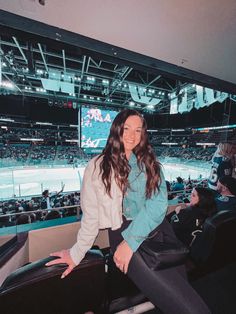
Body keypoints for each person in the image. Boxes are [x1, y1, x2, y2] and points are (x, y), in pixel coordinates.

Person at [46, 109, 210, 314]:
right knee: (185, 305)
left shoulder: (150, 163)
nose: (132, 135)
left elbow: (158, 205)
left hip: (160, 230)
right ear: (117, 129)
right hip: (124, 236)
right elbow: (91, 217)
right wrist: (76, 253)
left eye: (138, 130)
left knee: (178, 294)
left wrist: (131, 241)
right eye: (127, 128)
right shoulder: (96, 166)